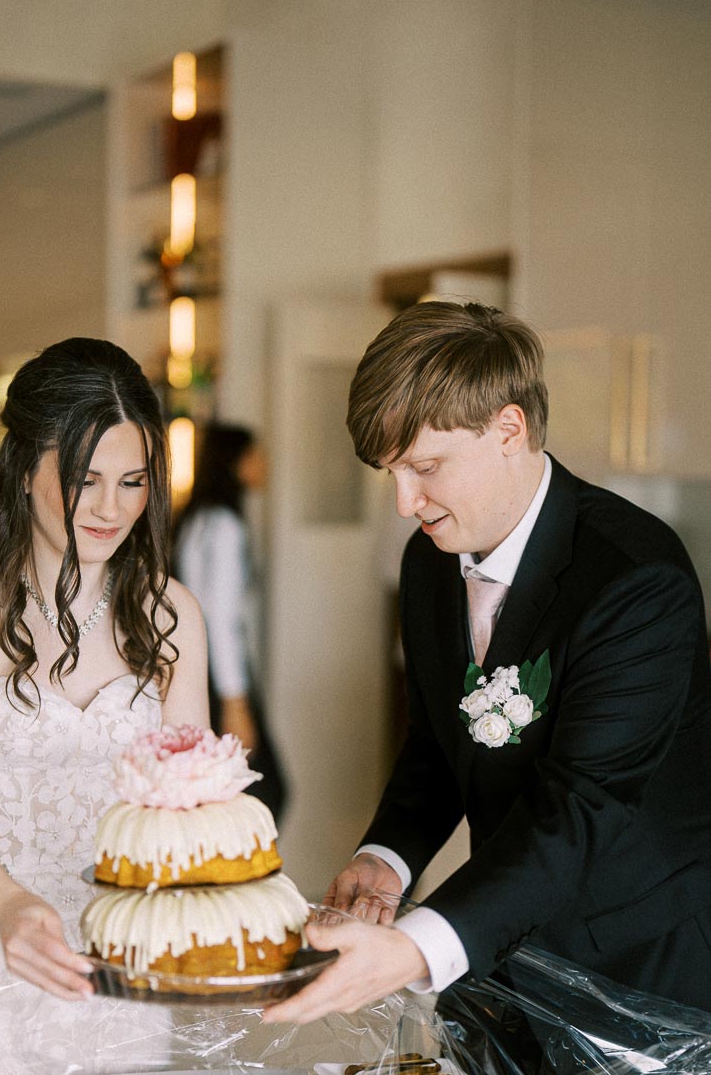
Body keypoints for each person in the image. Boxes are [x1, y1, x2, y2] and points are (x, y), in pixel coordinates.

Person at [265, 301, 711, 1028]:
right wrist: (390, 855)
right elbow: (439, 741)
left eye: (425, 467)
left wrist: (415, 949)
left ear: (510, 428)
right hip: (495, 950)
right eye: (392, 474)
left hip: (640, 971)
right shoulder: (429, 561)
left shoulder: (633, 579)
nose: (407, 502)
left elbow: (583, 809)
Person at [0, 337, 209, 1075]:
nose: (111, 508)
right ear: (26, 466)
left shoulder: (172, 614)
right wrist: (3, 901)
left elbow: (192, 796)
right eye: (85, 479)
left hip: (118, 954)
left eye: (133, 481)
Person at [174, 420, 288, 822]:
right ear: (235, 462)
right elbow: (218, 618)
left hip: (201, 668)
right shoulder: (222, 526)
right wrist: (235, 699)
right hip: (218, 674)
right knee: (264, 793)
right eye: (255, 455)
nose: (265, 464)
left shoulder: (200, 519)